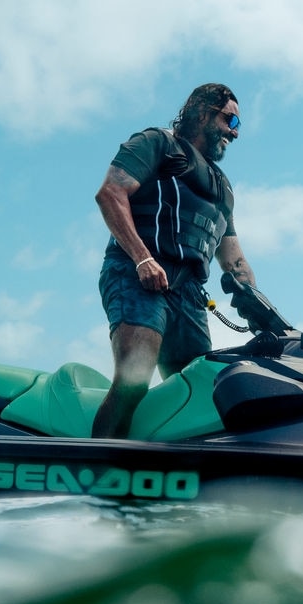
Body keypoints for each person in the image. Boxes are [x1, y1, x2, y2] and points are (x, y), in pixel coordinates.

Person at [90, 83, 258, 438]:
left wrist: (261, 309)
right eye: (231, 120)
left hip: (189, 295)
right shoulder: (157, 144)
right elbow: (111, 193)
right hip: (136, 276)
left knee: (200, 391)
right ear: (202, 113)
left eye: (238, 125)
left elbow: (234, 259)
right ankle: (98, 475)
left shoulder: (222, 188)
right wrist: (142, 259)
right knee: (134, 379)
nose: (235, 132)